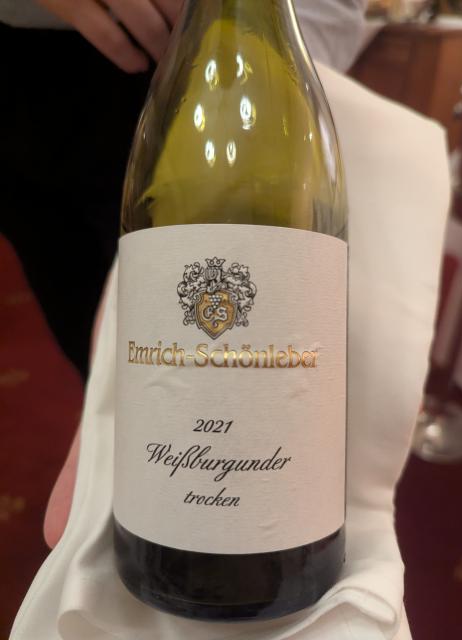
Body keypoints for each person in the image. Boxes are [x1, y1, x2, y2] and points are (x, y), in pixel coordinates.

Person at [0, 0, 367, 544]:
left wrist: (276, 69)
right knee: (95, 349)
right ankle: (153, 466)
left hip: (172, 83)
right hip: (15, 109)